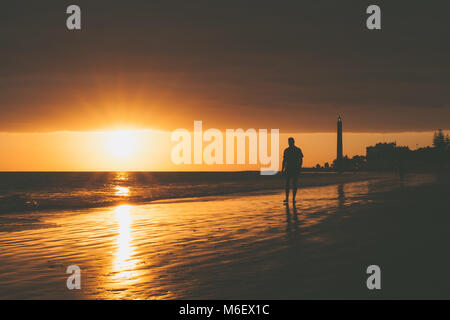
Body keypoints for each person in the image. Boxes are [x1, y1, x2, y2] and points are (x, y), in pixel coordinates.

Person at [282, 137, 303, 205]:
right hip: (289, 168)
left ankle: (293, 198)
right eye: (289, 142)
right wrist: (282, 169)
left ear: (293, 142)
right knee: (288, 184)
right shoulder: (287, 150)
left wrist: (299, 167)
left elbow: (301, 159)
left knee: (293, 184)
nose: (289, 143)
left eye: (290, 142)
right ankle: (288, 198)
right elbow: (284, 160)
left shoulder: (297, 150)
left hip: (294, 168)